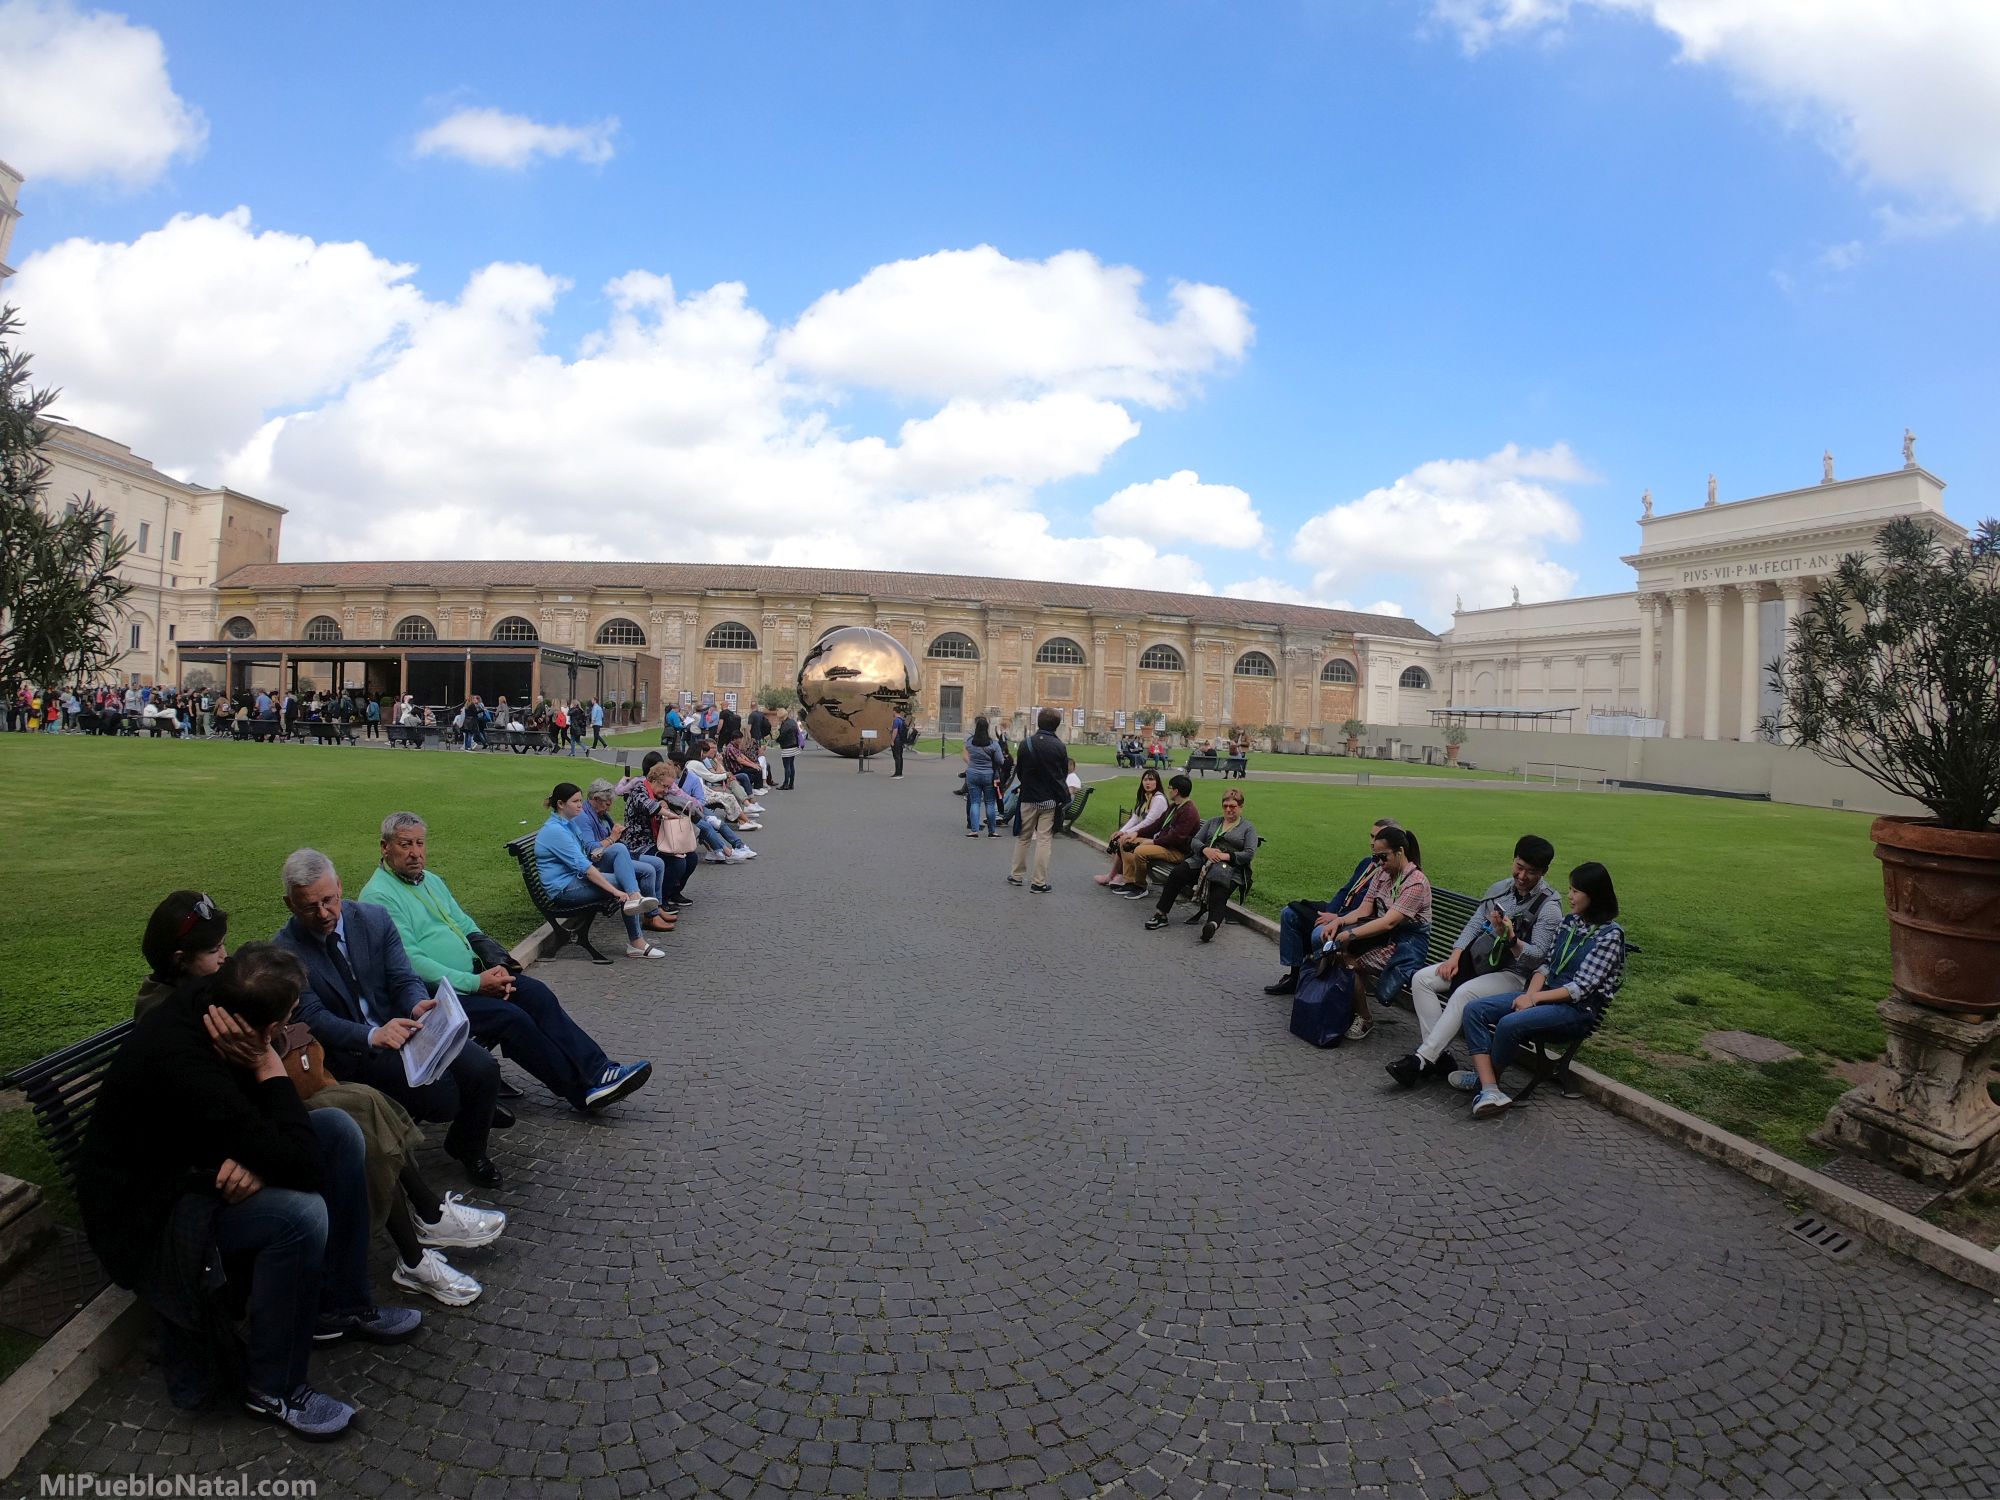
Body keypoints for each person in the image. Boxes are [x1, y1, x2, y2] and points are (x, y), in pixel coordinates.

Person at [80, 944, 423, 1438]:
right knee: (299, 1215)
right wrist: (267, 1066)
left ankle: (340, 1307)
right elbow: (299, 1164)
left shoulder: (216, 1001)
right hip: (154, 1215)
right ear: (265, 1029)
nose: (291, 1025)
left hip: (197, 1162)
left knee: (338, 1130)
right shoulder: (192, 1059)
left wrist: (257, 1156)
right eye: (288, 1018)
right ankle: (272, 1388)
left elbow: (268, 1137)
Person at [139, 891, 500, 1309]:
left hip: (266, 1106)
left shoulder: (201, 992)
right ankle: (415, 1251)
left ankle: (428, 1220)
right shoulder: (174, 1018)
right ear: (180, 958)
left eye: (223, 945)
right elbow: (212, 1101)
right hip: (241, 1138)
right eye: (215, 949)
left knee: (365, 1103)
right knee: (357, 1118)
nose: (225, 957)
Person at [362, 813, 655, 1113]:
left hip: (472, 977)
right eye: (404, 844)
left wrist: (496, 964)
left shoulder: (430, 880)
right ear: (385, 847)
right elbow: (411, 962)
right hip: (433, 1000)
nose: (415, 852)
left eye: (420, 843)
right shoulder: (380, 897)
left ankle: (599, 1071)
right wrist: (477, 982)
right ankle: (581, 1091)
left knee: (536, 994)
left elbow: (464, 924)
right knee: (511, 1018)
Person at [274, 850, 508, 1189]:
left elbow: (403, 977)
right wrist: (373, 1036)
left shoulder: (373, 918)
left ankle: (469, 1146)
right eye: (310, 907)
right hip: (355, 1050)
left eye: (329, 900)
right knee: (443, 1098)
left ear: (339, 886)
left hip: (405, 1027)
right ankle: (465, 1120)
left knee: (484, 1069)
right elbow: (312, 1016)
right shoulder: (286, 951)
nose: (324, 914)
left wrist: (415, 1005)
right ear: (289, 904)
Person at [1387, 836, 1561, 1088]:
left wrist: (1512, 940)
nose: (1522, 876)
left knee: (1465, 993)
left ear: (1544, 871)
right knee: (1422, 979)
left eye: (1531, 872)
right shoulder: (1500, 889)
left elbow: (1538, 957)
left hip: (1515, 976)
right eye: (1519, 867)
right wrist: (1455, 957)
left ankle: (1421, 1060)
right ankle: (1439, 1057)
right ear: (1513, 860)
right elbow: (1473, 924)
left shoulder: (1549, 907)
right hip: (1479, 963)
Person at [1454, 862, 1626, 1118]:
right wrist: (1528, 996)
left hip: (1575, 1011)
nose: (1569, 896)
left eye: (1576, 891)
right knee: (1474, 1009)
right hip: (1546, 997)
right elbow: (1545, 966)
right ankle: (1489, 1086)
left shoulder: (1610, 936)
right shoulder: (1570, 922)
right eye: (1570, 889)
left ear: (1595, 895)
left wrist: (1534, 998)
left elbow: (1580, 988)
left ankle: (1485, 1083)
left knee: (1510, 1023)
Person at [1316, 826, 1430, 1042]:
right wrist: (1338, 921)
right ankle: (1353, 1010)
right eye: (1375, 856)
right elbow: (1364, 910)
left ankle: (1364, 1017)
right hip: (1385, 937)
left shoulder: (1416, 882)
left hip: (1407, 944)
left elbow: (1389, 922)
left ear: (1400, 852)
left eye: (1382, 856)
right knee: (1339, 954)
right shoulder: (1382, 873)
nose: (1378, 862)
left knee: (1348, 961)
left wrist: (1350, 935)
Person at [1263, 819, 1400, 995]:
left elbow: (1372, 911)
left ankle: (1321, 984)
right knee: (1290, 913)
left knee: (1318, 934)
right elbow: (1345, 890)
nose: (1372, 842)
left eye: (1377, 838)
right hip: (1340, 913)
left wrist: (1336, 919)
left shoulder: (1387, 869)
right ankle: (1295, 975)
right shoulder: (1367, 862)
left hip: (1357, 922)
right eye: (1371, 836)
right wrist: (1330, 913)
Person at [536, 783, 667, 958]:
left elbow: (585, 855)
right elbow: (586, 869)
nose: (580, 805)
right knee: (624, 885)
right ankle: (637, 941)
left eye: (580, 801)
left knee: (618, 849)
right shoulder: (556, 831)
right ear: (561, 804)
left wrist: (599, 854)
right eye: (575, 801)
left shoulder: (568, 825)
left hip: (575, 878)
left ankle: (635, 897)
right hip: (564, 889)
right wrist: (615, 891)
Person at [1143, 787, 1257, 943]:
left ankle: (1212, 925)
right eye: (1225, 806)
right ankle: (1161, 914)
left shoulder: (1248, 828)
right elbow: (1195, 841)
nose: (1229, 810)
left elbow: (1249, 853)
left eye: (1233, 806)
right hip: (1202, 861)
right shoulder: (1213, 822)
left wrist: (1225, 856)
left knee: (1219, 891)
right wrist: (1205, 849)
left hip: (1227, 869)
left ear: (1240, 807)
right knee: (1177, 873)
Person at [580, 780, 676, 935]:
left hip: (615, 855)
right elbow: (593, 850)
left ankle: (656, 908)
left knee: (658, 863)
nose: (609, 807)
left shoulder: (599, 814)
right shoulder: (584, 817)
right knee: (648, 870)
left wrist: (617, 834)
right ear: (595, 799)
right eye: (606, 804)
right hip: (600, 861)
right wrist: (612, 838)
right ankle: (649, 916)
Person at [622, 755, 703, 908]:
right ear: (654, 780)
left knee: (691, 857)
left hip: (658, 840)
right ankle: (661, 900)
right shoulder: (639, 790)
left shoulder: (657, 794)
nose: (666, 791)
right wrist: (671, 814)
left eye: (668, 787)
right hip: (639, 844)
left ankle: (674, 892)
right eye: (664, 786)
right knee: (677, 862)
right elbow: (649, 806)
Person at [1007, 708, 1067, 892]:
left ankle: (1017, 875)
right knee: (1043, 840)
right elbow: (1062, 774)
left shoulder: (1026, 744)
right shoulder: (1059, 747)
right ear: (1056, 725)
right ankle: (1038, 881)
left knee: (1023, 838)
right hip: (1048, 799)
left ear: (1038, 722)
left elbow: (1020, 770)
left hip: (1028, 796)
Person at [1112, 773, 1200, 896]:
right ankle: (1129, 882)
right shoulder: (1175, 806)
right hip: (1164, 845)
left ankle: (1140, 886)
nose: (1168, 791)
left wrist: (1152, 842)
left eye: (1170, 788)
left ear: (1176, 791)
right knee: (1125, 841)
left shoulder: (1189, 811)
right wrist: (1135, 833)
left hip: (1176, 851)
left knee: (1140, 851)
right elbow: (1157, 825)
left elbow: (1176, 839)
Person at [1097, 769, 1169, 885]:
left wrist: (1127, 833)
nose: (1147, 783)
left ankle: (1116, 877)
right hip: (1144, 832)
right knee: (1117, 837)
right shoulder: (1145, 797)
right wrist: (1121, 831)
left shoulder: (1158, 799)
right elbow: (1135, 818)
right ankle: (1117, 875)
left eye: (1151, 779)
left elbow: (1149, 821)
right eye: (1145, 780)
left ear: (1157, 782)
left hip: (1154, 835)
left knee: (1125, 840)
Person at [962, 716, 1005, 836]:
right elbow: (1000, 761)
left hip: (973, 773)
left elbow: (967, 754)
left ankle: (974, 830)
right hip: (988, 775)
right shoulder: (993, 744)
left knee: (975, 802)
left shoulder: (970, 742)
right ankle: (992, 831)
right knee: (990, 803)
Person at [776, 707, 800, 790]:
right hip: (794, 746)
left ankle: (785, 784)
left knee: (786, 766)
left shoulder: (785, 725)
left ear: (781, 717)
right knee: (791, 765)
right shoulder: (792, 722)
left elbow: (782, 736)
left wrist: (777, 740)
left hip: (787, 747)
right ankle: (791, 784)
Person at [890, 709, 908, 777]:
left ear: (894, 711)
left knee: (896, 757)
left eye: (892, 711)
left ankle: (897, 773)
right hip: (901, 740)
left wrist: (892, 740)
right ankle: (900, 772)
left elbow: (895, 731)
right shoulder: (902, 720)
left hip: (896, 740)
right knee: (900, 756)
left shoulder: (896, 720)